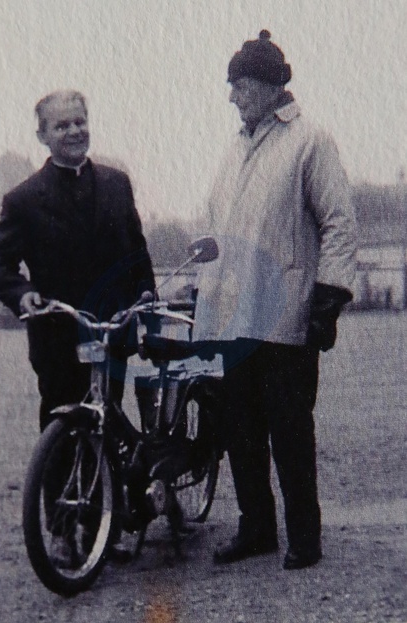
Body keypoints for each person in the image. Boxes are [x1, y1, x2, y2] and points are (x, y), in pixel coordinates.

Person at [194, 31, 357, 569]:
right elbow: (217, 227)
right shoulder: (235, 147)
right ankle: (257, 529)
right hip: (234, 316)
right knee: (239, 430)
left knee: (289, 431)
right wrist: (201, 292)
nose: (232, 97)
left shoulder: (310, 141)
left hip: (286, 315)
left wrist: (328, 299)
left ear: (269, 87)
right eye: (231, 86)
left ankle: (304, 536)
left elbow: (338, 224)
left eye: (239, 86)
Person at [0, 90, 155, 432]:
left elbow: (137, 254)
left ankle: (115, 468)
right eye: (62, 126)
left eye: (80, 122)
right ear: (42, 136)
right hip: (57, 338)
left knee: (109, 421)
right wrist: (23, 294)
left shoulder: (117, 184)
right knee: (61, 432)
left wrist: (147, 302)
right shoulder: (23, 199)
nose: (75, 131)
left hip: (111, 331)